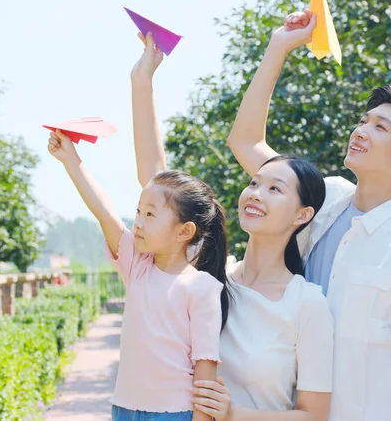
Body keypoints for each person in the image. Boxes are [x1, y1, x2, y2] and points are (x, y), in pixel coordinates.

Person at [226, 10, 391, 421]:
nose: (361, 130)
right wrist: (278, 46)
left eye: (380, 127)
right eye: (363, 120)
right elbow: (245, 142)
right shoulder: (326, 199)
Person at [131, 31, 334, 421]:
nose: (255, 193)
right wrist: (143, 81)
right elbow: (157, 182)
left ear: (302, 215)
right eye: (254, 183)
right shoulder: (210, 271)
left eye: (275, 188)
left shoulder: (307, 304)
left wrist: (233, 414)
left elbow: (313, 415)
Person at [47, 120, 230, 421]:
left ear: (185, 231)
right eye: (138, 211)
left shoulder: (201, 288)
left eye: (150, 214)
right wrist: (71, 160)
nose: (138, 223)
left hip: (176, 414)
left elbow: (205, 371)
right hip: (125, 409)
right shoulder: (137, 265)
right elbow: (104, 212)